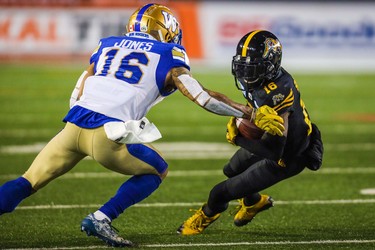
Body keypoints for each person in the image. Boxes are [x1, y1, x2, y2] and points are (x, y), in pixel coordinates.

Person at [0, 5, 284, 248]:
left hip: (72, 126)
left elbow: (81, 85)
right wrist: (250, 113)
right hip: (105, 135)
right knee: (158, 169)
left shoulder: (107, 44)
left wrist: (79, 111)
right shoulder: (168, 54)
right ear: (166, 30)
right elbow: (202, 97)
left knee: (28, 181)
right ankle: (102, 217)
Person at [177, 30, 324, 235]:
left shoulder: (277, 92)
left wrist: (238, 138)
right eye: (243, 67)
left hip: (287, 157)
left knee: (218, 193)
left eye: (253, 68)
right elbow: (249, 105)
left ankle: (205, 216)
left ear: (270, 66)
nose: (246, 74)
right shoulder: (262, 79)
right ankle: (254, 202)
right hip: (273, 140)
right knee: (231, 170)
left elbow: (274, 152)